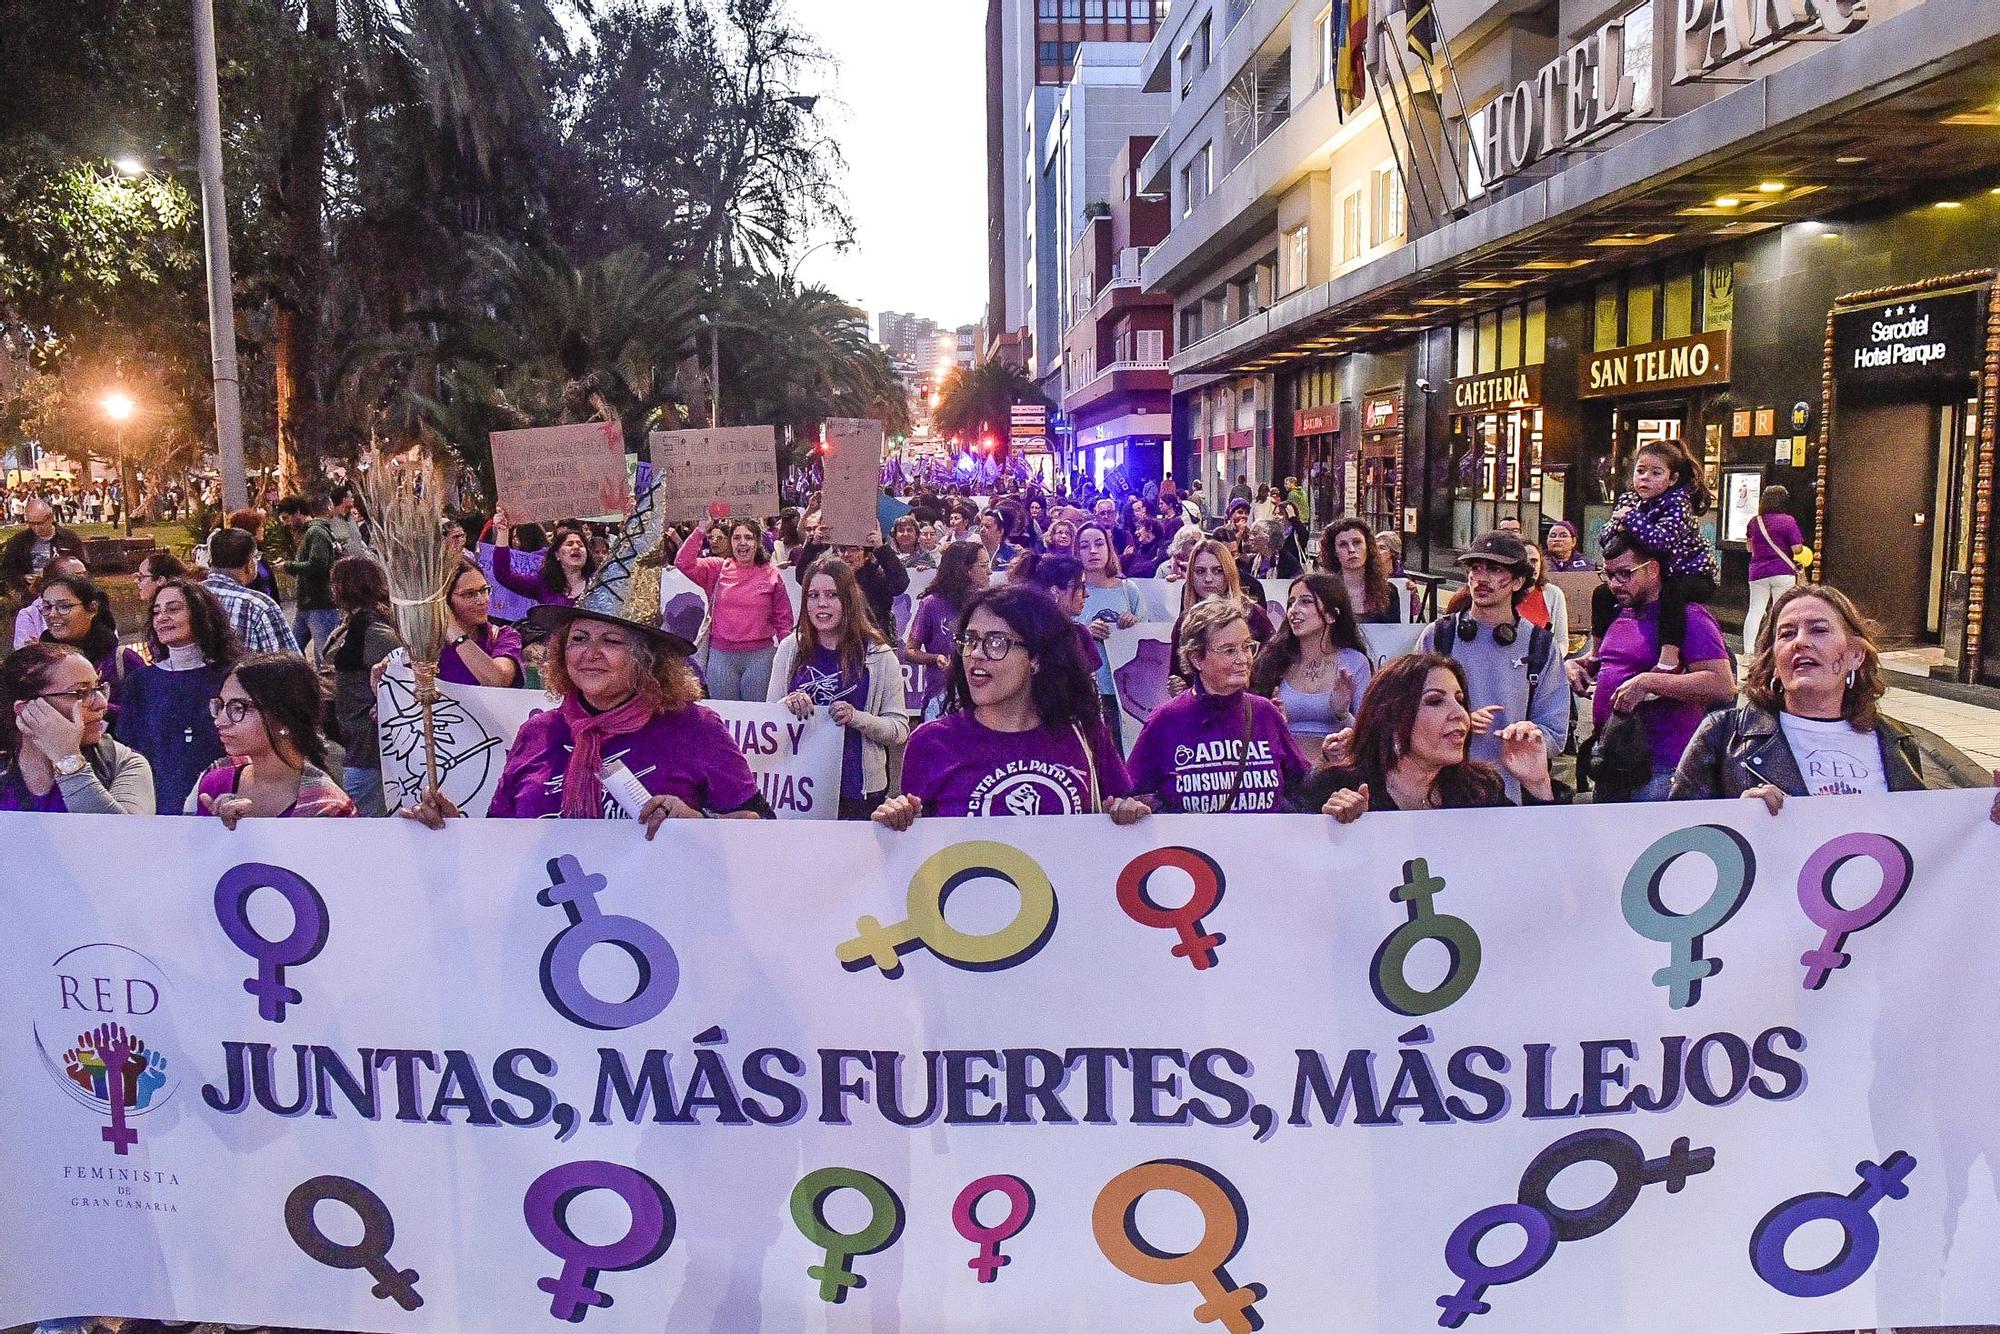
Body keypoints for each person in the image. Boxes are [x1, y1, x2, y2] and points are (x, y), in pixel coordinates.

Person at [415, 600, 769, 829]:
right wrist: (454, 831)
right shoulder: (537, 733)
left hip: (661, 933)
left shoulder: (696, 728)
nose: (590, 653)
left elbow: (764, 827)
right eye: (579, 639)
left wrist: (697, 821)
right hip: (549, 932)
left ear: (648, 658)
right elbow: (500, 837)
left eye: (612, 642)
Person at [875, 584, 1145, 828]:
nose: (977, 654)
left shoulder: (1084, 734)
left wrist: (1126, 812)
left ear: (1036, 658)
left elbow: (1119, 810)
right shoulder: (931, 742)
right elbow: (917, 857)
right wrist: (898, 820)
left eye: (996, 643)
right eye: (970, 641)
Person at [1672, 583, 1948, 805]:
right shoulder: (1724, 735)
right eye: (1787, 634)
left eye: (1819, 630)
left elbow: (1923, 839)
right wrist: (1736, 820)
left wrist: (1987, 815)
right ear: (1774, 662)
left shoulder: (1895, 740)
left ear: (1855, 654)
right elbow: (1674, 840)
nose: (1801, 642)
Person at [1566, 531, 1736, 802]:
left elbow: (1722, 686)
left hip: (1663, 766)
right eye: (1608, 575)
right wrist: (1575, 666)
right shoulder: (1618, 610)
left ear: (1653, 570)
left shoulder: (1690, 617)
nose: (1615, 584)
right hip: (1611, 759)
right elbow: (1606, 662)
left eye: (1625, 574)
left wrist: (1649, 682)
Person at [1415, 531, 1570, 800]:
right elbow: (1408, 712)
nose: (1481, 578)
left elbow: (1555, 732)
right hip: (1439, 792)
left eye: (1495, 569)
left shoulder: (1541, 645)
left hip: (1510, 795)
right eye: (1475, 568)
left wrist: (1528, 736)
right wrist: (1457, 720)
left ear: (1518, 581)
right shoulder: (1439, 635)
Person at [1309, 653, 1559, 819]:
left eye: (1460, 701)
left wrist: (1538, 784)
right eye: (1435, 701)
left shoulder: (1481, 789)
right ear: (1393, 717)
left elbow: (1534, 862)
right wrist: (1342, 828)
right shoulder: (1334, 785)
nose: (1460, 714)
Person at [1128, 598, 1309, 813]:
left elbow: (1303, 788)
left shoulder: (1266, 713)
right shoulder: (1165, 720)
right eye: (1229, 650)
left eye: (1247, 647)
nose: (1243, 659)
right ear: (1197, 659)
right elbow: (1131, 792)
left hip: (1264, 846)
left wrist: (1330, 763)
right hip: (1192, 846)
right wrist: (1128, 808)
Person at [771, 557, 910, 820]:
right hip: (801, 788)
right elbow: (769, 716)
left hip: (859, 792)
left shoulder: (879, 655)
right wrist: (787, 705)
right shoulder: (790, 649)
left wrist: (857, 718)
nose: (821, 603)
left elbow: (899, 729)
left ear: (848, 600)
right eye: (813, 595)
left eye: (832, 595)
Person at [1589, 437, 1719, 673]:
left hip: (1691, 573)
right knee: (1601, 594)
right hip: (1654, 573)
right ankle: (1596, 654)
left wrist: (1629, 520)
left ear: (1673, 479)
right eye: (1641, 471)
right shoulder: (1629, 500)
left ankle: (1669, 658)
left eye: (1656, 473)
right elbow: (1606, 536)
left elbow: (1661, 541)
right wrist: (1624, 523)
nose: (1645, 477)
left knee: (1673, 593)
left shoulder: (1678, 503)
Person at [118, 578, 238, 814]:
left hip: (222, 805)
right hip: (157, 809)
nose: (162, 618)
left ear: (201, 614)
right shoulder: (140, 682)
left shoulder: (233, 676)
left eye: (173, 609)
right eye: (156, 612)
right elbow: (129, 751)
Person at [190, 654, 357, 822]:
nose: (220, 721)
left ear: (285, 716)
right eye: (220, 706)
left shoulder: (329, 809)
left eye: (238, 708)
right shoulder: (215, 782)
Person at [0, 642, 154, 813]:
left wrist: (69, 761)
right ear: (26, 709)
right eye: (80, 693)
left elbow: (123, 837)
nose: (102, 703)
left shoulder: (122, 762)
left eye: (99, 688)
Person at [675, 516, 794, 701]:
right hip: (721, 658)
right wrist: (700, 530)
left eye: (748, 537)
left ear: (757, 542)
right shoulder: (716, 568)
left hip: (760, 659)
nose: (743, 543)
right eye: (737, 538)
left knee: (756, 717)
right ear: (731, 542)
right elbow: (683, 562)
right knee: (726, 719)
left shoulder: (772, 575)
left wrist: (788, 657)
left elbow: (783, 620)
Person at [1252, 573, 1373, 755]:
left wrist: (1342, 714)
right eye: (1291, 602)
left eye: (1306, 602)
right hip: (1284, 765)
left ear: (1331, 615)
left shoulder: (1354, 662)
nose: (1293, 610)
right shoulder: (1274, 660)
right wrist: (1274, 722)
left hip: (1335, 768)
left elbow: (1370, 736)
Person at [325, 556, 403, 816]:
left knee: (361, 824)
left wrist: (387, 703)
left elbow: (406, 665)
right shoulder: (355, 623)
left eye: (336, 583)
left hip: (367, 750)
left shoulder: (372, 628)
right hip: (356, 744)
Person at [1168, 539, 1275, 696]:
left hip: (1248, 709)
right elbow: (1177, 673)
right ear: (1191, 576)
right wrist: (1178, 687)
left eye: (1217, 571)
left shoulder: (1253, 614)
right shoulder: (1184, 622)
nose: (1208, 579)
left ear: (1229, 573)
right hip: (1200, 712)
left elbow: (1274, 664)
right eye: (1200, 571)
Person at [905, 541, 991, 718]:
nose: (989, 572)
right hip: (941, 696)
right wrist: (935, 658)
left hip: (981, 697)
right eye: (983, 566)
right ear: (966, 571)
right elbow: (910, 650)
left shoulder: (986, 605)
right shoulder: (932, 604)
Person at [1076, 522, 1141, 742]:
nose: (1093, 551)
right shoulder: (1070, 591)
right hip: (1086, 687)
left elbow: (1149, 638)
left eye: (1099, 544)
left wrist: (1134, 622)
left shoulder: (1128, 589)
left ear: (1109, 548)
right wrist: (1085, 632)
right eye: (1085, 546)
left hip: (1126, 687)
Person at [204, 526, 301, 654]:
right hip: (246, 672)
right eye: (257, 556)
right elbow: (290, 663)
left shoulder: (188, 595)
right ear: (250, 563)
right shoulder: (257, 605)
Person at [35, 573, 126, 705]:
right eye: (47, 607)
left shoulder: (120, 660)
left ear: (92, 608)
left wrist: (97, 708)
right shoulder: (38, 664)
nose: (53, 614)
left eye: (64, 606)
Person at [1744, 484, 1809, 651]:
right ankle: (1774, 650)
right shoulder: (1788, 521)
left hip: (1757, 572)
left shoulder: (1754, 522)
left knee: (1755, 611)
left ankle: (1748, 653)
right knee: (1779, 612)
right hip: (1782, 572)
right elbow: (1797, 549)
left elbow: (1749, 548)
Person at [438, 561, 523, 687]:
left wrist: (455, 633)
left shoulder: (502, 636)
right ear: (445, 600)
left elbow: (498, 680)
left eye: (484, 590)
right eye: (469, 594)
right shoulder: (429, 644)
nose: (482, 600)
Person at [491, 509, 598, 608]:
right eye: (569, 544)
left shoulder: (598, 583)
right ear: (557, 555)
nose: (576, 547)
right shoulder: (543, 585)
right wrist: (502, 531)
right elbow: (503, 575)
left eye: (580, 544)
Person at [278, 493, 340, 655]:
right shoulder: (309, 533)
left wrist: (288, 566)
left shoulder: (315, 533)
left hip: (320, 603)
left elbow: (318, 564)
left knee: (323, 654)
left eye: (286, 518)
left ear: (298, 512)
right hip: (307, 602)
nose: (286, 524)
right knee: (292, 649)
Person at [0, 499, 85, 605]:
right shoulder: (19, 541)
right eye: (31, 523)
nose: (36, 528)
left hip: (64, 593)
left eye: (40, 523)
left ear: (50, 518)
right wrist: (23, 584)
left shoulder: (68, 538)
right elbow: (8, 570)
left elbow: (84, 566)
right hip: (30, 595)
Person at [1321, 517, 1403, 623]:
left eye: (1357, 542)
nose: (1351, 550)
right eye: (1343, 545)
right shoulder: (1323, 593)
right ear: (1334, 552)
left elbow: (1393, 635)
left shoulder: (1389, 592)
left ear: (1368, 547)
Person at [1518, 542, 1569, 642]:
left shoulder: (1554, 594)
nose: (1531, 567)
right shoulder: (1505, 593)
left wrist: (1550, 657)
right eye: (1525, 561)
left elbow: (1562, 641)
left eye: (1534, 561)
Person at [229, 507, 282, 603]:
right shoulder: (240, 556)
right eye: (260, 527)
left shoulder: (257, 551)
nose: (263, 530)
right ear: (251, 529)